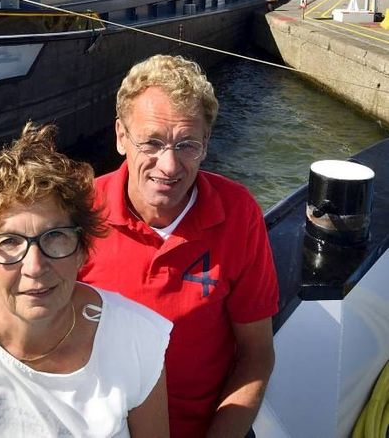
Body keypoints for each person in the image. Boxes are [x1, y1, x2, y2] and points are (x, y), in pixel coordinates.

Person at [0, 123, 172, 437]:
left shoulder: (138, 341)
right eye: (9, 242)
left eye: (55, 237)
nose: (34, 266)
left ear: (82, 250)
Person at [78, 54, 278, 438]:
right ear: (121, 136)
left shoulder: (238, 214)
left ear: (206, 143)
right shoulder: (79, 214)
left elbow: (256, 353)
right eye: (152, 142)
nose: (168, 166)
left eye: (187, 145)